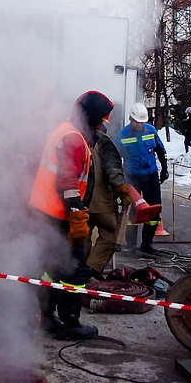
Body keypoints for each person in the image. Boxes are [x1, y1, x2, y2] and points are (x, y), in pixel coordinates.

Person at [29, 90, 114, 340]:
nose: (100, 127)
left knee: (51, 267)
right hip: (59, 216)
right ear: (90, 118)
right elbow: (66, 181)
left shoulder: (63, 130)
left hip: (46, 213)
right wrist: (76, 212)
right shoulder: (74, 139)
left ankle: (45, 317)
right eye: (99, 121)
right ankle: (69, 322)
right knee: (75, 271)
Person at [114, 103, 168, 255]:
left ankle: (147, 243)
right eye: (137, 122)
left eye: (142, 122)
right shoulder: (123, 135)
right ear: (131, 119)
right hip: (132, 177)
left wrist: (164, 168)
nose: (139, 125)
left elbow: (161, 150)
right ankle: (130, 244)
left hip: (150, 175)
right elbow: (115, 157)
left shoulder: (150, 131)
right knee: (132, 212)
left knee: (155, 209)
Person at [85, 123, 132, 280]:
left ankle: (79, 267)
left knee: (82, 234)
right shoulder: (104, 143)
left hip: (80, 199)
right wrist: (122, 190)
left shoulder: (78, 138)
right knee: (111, 233)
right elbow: (113, 171)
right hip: (100, 201)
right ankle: (92, 268)